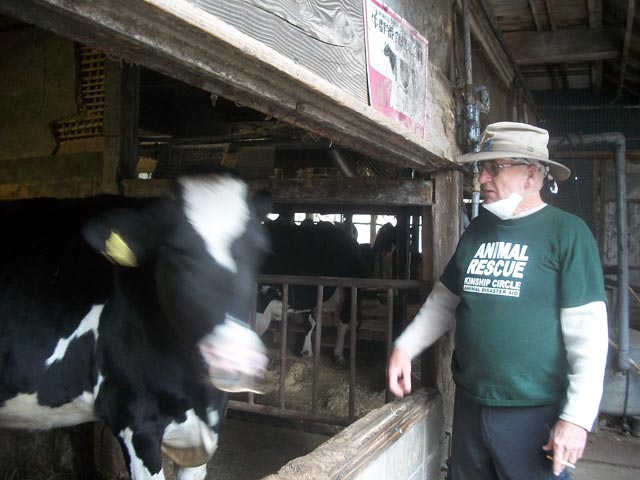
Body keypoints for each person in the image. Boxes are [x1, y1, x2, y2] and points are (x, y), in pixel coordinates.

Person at [387, 122, 608, 479]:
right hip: (471, 405)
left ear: (531, 175)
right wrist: (405, 347)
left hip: (533, 413)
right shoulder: (478, 230)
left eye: (494, 167)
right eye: (481, 168)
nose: (482, 179)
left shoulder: (567, 234)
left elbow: (589, 337)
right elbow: (444, 302)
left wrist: (576, 419)